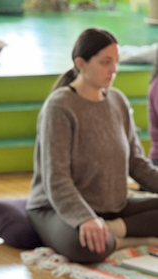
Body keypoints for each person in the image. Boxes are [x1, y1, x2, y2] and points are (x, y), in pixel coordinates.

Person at [27, 28, 158, 263]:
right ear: (81, 63)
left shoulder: (117, 100)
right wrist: (85, 218)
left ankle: (114, 230)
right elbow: (57, 180)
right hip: (55, 208)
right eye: (105, 62)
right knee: (88, 246)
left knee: (99, 237)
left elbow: (137, 164)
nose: (114, 70)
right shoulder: (59, 107)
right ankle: (124, 240)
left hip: (111, 205)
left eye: (116, 62)